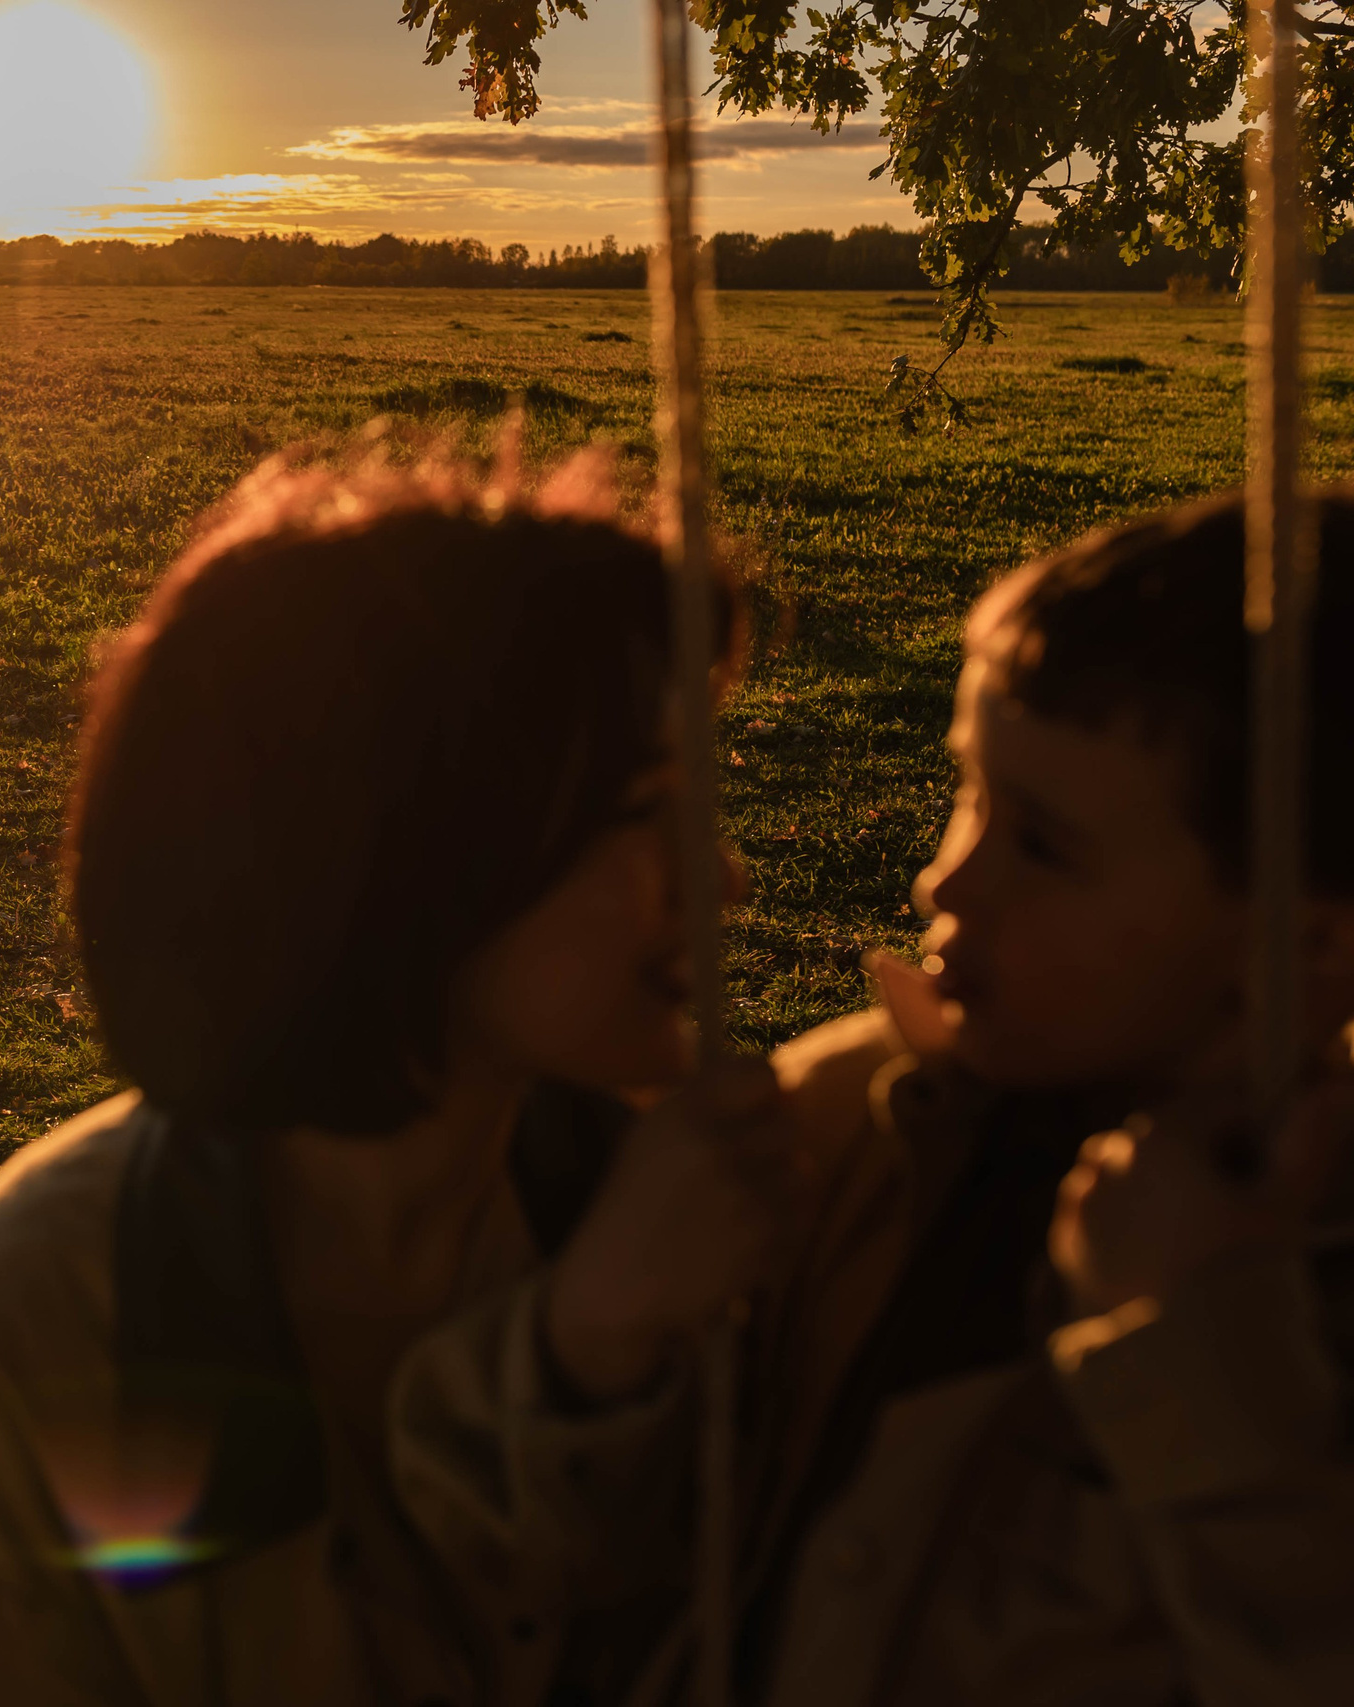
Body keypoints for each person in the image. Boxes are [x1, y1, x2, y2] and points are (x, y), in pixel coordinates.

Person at [0, 446, 792, 1705]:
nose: (720, 878)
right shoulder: (36, 1335)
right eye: (641, 813)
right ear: (401, 851)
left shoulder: (697, 1226)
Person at [399, 491, 1354, 1706]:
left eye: (1044, 848)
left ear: (1306, 949)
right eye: (970, 796)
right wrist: (591, 1337)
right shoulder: (836, 1126)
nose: (941, 879)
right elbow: (493, 1571)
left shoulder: (1304, 1285)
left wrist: (1209, 1363)